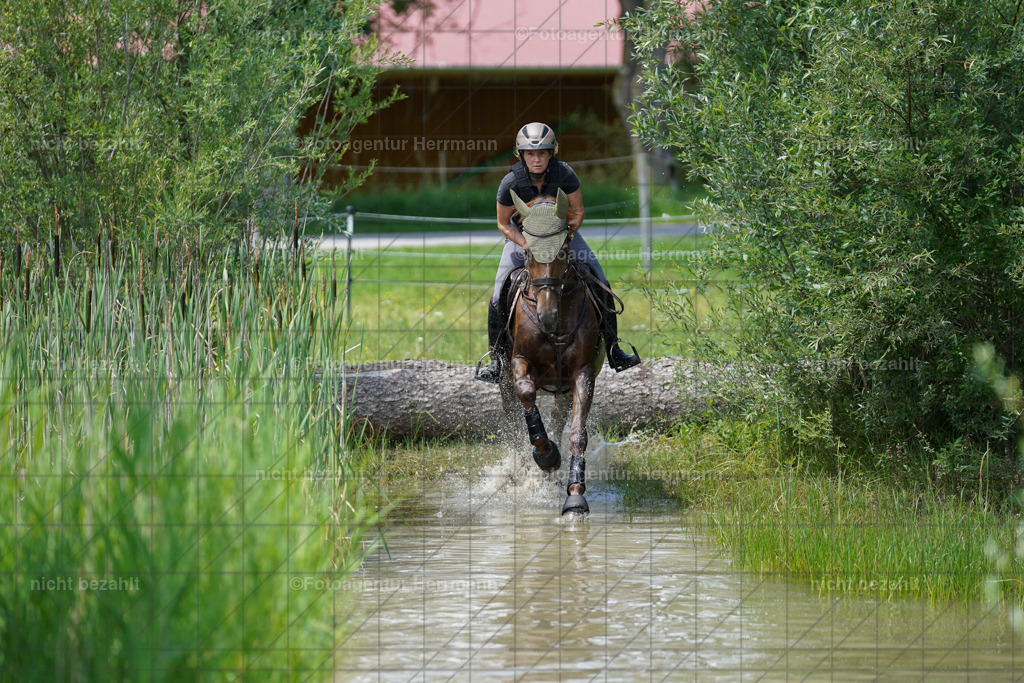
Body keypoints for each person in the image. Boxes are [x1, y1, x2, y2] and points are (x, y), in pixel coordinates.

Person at [476, 121, 641, 383]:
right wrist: (525, 243)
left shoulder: (565, 174)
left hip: (562, 238)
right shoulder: (510, 181)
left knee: (601, 281)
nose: (537, 159)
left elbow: (577, 212)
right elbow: (503, 222)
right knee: (498, 295)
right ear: (521, 155)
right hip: (523, 242)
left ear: (552, 153)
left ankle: (613, 349)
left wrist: (563, 238)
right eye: (530, 154)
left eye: (542, 153)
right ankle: (496, 359)